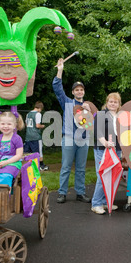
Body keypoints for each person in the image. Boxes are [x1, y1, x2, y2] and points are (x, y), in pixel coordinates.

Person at [52, 58, 91, 203]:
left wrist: (89, 111)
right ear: (73, 92)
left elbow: (92, 123)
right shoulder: (67, 102)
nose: (79, 91)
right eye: (76, 90)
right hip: (69, 137)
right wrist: (60, 70)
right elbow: (57, 87)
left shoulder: (88, 105)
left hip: (83, 139)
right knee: (66, 166)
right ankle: (62, 193)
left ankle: (80, 193)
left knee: (81, 168)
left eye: (81, 89)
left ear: (84, 92)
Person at [91, 93, 123, 214]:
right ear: (107, 102)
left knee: (111, 176)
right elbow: (97, 132)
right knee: (102, 176)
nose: (113, 104)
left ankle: (105, 202)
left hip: (117, 149)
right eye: (111, 101)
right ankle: (96, 203)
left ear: (119, 104)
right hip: (102, 149)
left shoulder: (120, 116)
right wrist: (105, 143)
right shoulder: (101, 115)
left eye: (115, 102)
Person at [25, 101, 48, 171]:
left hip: (28, 136)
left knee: (28, 152)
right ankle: (41, 166)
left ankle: (28, 166)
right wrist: (42, 126)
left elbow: (26, 124)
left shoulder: (28, 114)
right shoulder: (38, 114)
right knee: (39, 152)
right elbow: (37, 125)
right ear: (40, 108)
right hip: (36, 136)